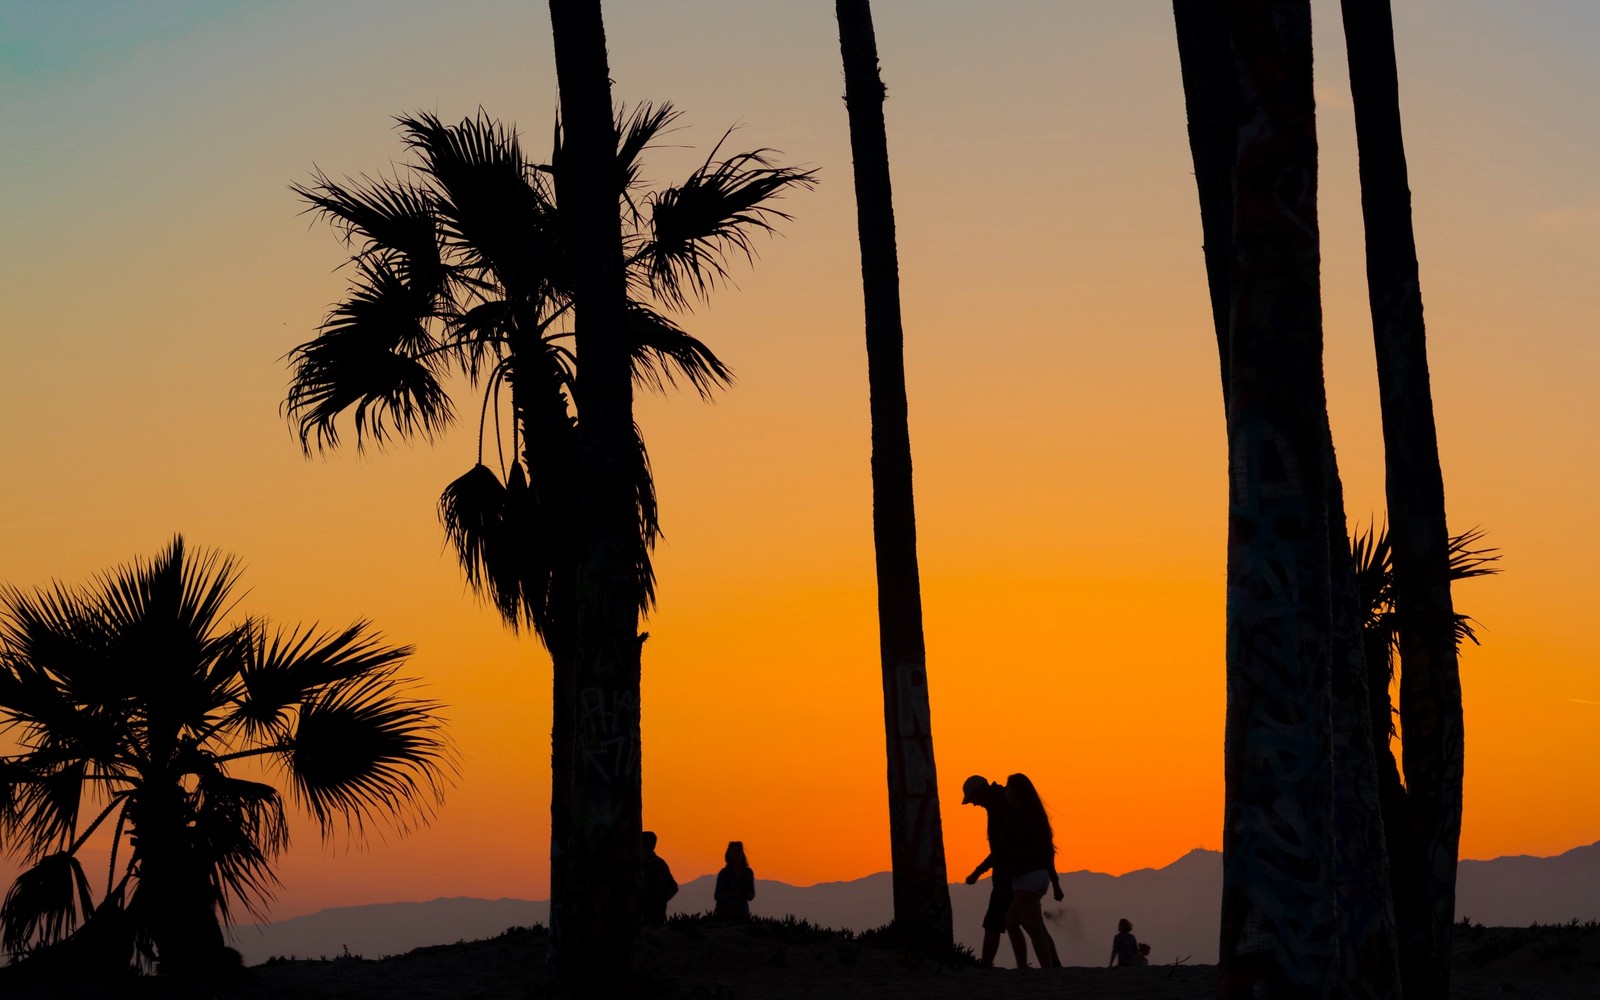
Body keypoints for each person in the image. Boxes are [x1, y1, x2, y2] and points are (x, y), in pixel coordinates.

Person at [961, 774, 1028, 969]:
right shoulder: (1001, 802)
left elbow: (1001, 848)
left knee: (994, 921)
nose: (974, 804)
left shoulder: (999, 807)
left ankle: (985, 965)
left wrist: (977, 872)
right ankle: (1035, 965)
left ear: (980, 790)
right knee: (1025, 921)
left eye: (973, 798)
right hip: (1015, 870)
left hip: (1007, 871)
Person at [998, 773, 1064, 969]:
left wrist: (978, 871)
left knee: (1035, 929)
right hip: (1040, 877)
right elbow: (1048, 853)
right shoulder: (1038, 817)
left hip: (1025, 879)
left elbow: (1001, 849)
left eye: (1009, 789)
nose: (1006, 793)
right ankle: (1023, 967)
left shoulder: (1014, 817)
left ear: (1017, 792)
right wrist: (1055, 884)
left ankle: (1047, 969)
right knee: (1011, 921)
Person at [641, 830, 678, 925]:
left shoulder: (642, 865)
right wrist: (661, 899)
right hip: (659, 914)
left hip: (644, 915)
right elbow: (673, 887)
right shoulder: (661, 863)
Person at [713, 841, 755, 920]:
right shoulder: (724, 873)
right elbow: (717, 896)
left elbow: (751, 895)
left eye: (739, 851)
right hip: (725, 913)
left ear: (742, 854)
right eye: (734, 851)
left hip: (742, 913)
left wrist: (743, 893)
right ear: (729, 854)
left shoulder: (748, 873)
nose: (736, 854)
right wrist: (732, 894)